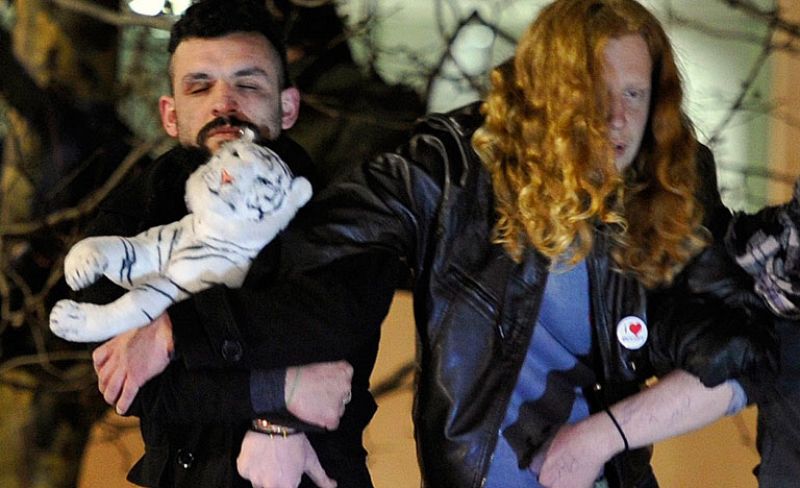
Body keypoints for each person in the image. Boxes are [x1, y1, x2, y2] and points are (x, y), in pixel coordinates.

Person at [94, 0, 776, 487]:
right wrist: (263, 398)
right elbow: (322, 270)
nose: (618, 117)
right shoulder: (449, 165)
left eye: (636, 92)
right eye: (597, 91)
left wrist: (598, 439)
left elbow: (741, 353)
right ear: (547, 90)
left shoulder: (671, 183)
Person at [81, 1, 365, 486]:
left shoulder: (339, 211)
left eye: (248, 83)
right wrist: (279, 388)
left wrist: (173, 332)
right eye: (200, 85)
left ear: (288, 106)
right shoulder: (128, 219)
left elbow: (334, 344)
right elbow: (133, 387)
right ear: (170, 114)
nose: (224, 103)